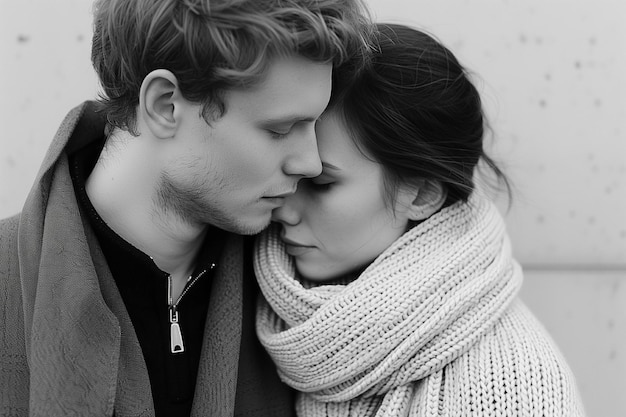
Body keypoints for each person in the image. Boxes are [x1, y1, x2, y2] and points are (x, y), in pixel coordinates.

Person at [0, 0, 371, 416]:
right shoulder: (5, 282)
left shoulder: (308, 298)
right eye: (280, 129)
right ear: (165, 105)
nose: (311, 162)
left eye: (315, 125)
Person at [254, 23, 586, 416]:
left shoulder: (513, 384)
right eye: (291, 174)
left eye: (322, 183)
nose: (284, 209)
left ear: (422, 194)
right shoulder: (252, 290)